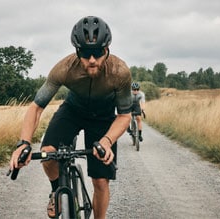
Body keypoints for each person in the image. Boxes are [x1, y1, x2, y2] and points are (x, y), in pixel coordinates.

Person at [9, 16, 132, 219]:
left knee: (100, 181)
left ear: (107, 50)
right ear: (77, 52)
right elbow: (36, 107)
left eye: (97, 52)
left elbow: (125, 115)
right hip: (73, 110)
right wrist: (23, 143)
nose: (92, 59)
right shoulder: (64, 69)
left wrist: (107, 141)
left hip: (103, 118)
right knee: (48, 154)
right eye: (85, 53)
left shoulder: (120, 72)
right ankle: (56, 191)